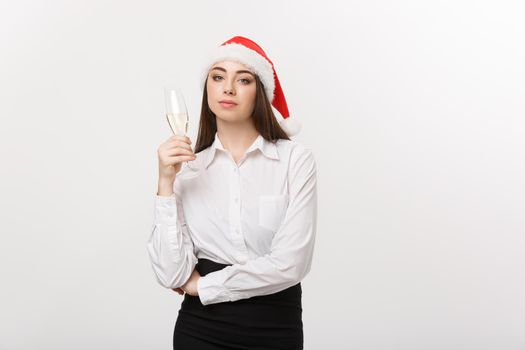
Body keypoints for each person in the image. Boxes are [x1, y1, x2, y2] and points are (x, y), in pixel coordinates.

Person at [147, 35, 318, 350]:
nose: (228, 88)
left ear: (260, 92)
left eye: (243, 79)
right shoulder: (190, 169)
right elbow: (172, 273)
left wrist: (203, 286)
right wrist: (165, 185)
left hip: (275, 327)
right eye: (218, 77)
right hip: (200, 330)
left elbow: (292, 263)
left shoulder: (294, 160)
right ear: (207, 89)